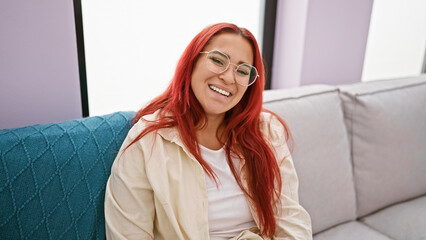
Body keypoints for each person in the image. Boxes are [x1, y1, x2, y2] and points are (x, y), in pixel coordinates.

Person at [104, 23, 312, 240]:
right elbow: (127, 234)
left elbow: (290, 219)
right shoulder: (147, 141)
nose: (229, 78)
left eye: (242, 71)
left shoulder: (267, 131)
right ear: (192, 61)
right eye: (218, 60)